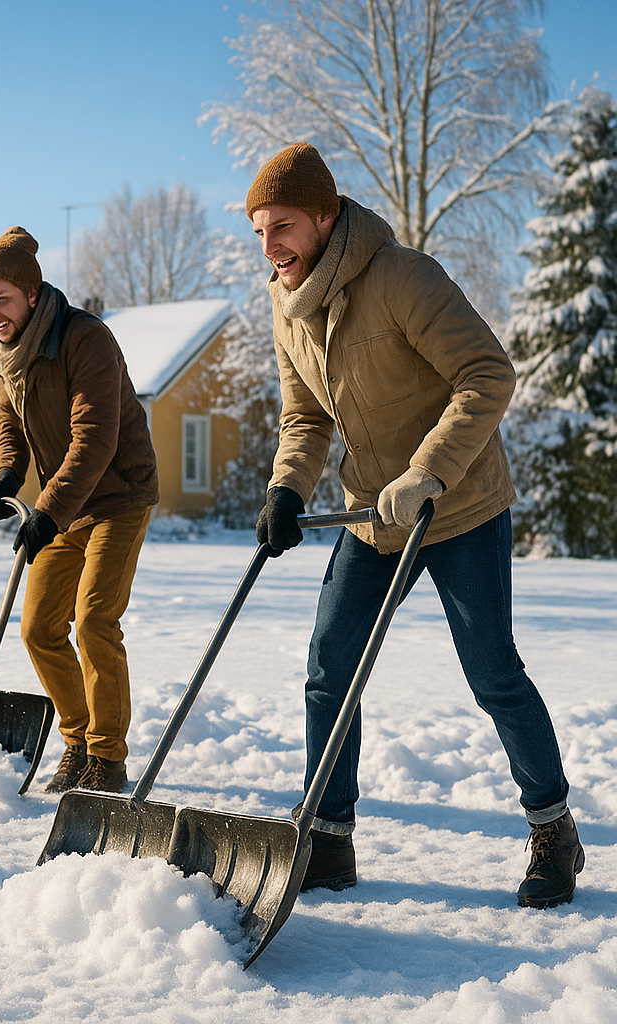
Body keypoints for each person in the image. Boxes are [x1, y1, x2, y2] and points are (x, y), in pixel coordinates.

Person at [247, 142, 582, 907]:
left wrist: (429, 469)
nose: (270, 248)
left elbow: (488, 373)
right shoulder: (285, 302)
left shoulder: (402, 276)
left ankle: (554, 830)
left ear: (326, 218)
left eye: (285, 227)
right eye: (260, 232)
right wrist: (286, 490)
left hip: (458, 505)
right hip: (373, 516)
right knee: (331, 668)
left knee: (492, 673)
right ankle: (328, 839)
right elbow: (304, 415)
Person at [0, 227, 159, 795]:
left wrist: (48, 510)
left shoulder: (85, 338)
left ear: (32, 295)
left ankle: (107, 757)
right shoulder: (8, 352)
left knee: (95, 620)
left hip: (118, 495)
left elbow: (96, 439)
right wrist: (8, 472)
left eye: (2, 299)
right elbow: (11, 424)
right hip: (66, 504)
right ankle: (76, 741)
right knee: (39, 629)